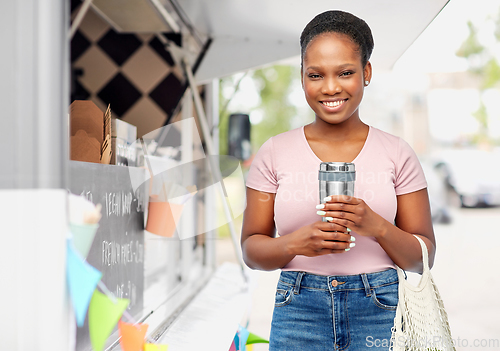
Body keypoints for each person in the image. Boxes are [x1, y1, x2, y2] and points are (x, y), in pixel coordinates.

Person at [241, 10, 436, 351]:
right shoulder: (274, 152)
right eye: (315, 75)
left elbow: (423, 258)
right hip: (298, 308)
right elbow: (251, 250)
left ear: (366, 73)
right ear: (302, 76)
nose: (330, 87)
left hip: (381, 309)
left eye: (345, 72)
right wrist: (295, 243)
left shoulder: (397, 153)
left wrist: (376, 226)